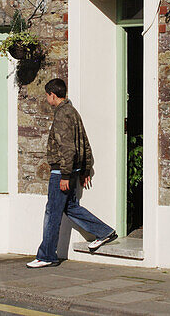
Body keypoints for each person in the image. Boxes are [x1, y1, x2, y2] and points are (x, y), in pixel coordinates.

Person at [28, 78, 117, 268]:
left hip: (62, 172)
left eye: (47, 95)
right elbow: (84, 141)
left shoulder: (62, 115)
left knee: (52, 212)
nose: (47, 99)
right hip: (73, 169)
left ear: (52, 94)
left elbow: (68, 148)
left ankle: (46, 256)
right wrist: (84, 169)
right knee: (70, 207)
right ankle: (104, 231)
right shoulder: (73, 111)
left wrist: (65, 176)